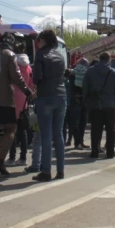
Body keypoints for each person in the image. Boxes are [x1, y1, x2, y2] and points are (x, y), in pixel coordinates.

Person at [0, 33, 32, 176]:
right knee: (10, 129)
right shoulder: (10, 55)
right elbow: (16, 77)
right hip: (6, 99)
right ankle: (0, 161)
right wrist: (27, 91)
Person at [31, 29, 67, 182]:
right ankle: (60, 170)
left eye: (39, 41)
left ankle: (46, 171)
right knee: (58, 134)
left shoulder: (40, 54)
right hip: (61, 97)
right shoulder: (60, 56)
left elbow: (37, 78)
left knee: (46, 135)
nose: (37, 44)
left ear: (43, 40)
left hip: (45, 97)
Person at [83, 52, 115, 160]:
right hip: (109, 105)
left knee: (95, 129)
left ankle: (95, 151)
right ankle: (110, 152)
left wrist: (86, 101)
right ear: (109, 60)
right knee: (110, 129)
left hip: (95, 105)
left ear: (99, 59)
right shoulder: (114, 73)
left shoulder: (90, 71)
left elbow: (85, 87)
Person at [8, 53, 34, 166]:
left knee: (11, 130)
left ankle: (12, 157)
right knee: (22, 129)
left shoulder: (15, 67)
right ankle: (23, 157)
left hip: (13, 99)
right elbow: (31, 86)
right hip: (24, 101)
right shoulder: (29, 68)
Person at [69, 58, 90, 150]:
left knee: (75, 122)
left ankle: (77, 142)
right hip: (85, 100)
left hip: (75, 99)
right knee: (83, 122)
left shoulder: (72, 73)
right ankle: (80, 141)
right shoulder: (88, 73)